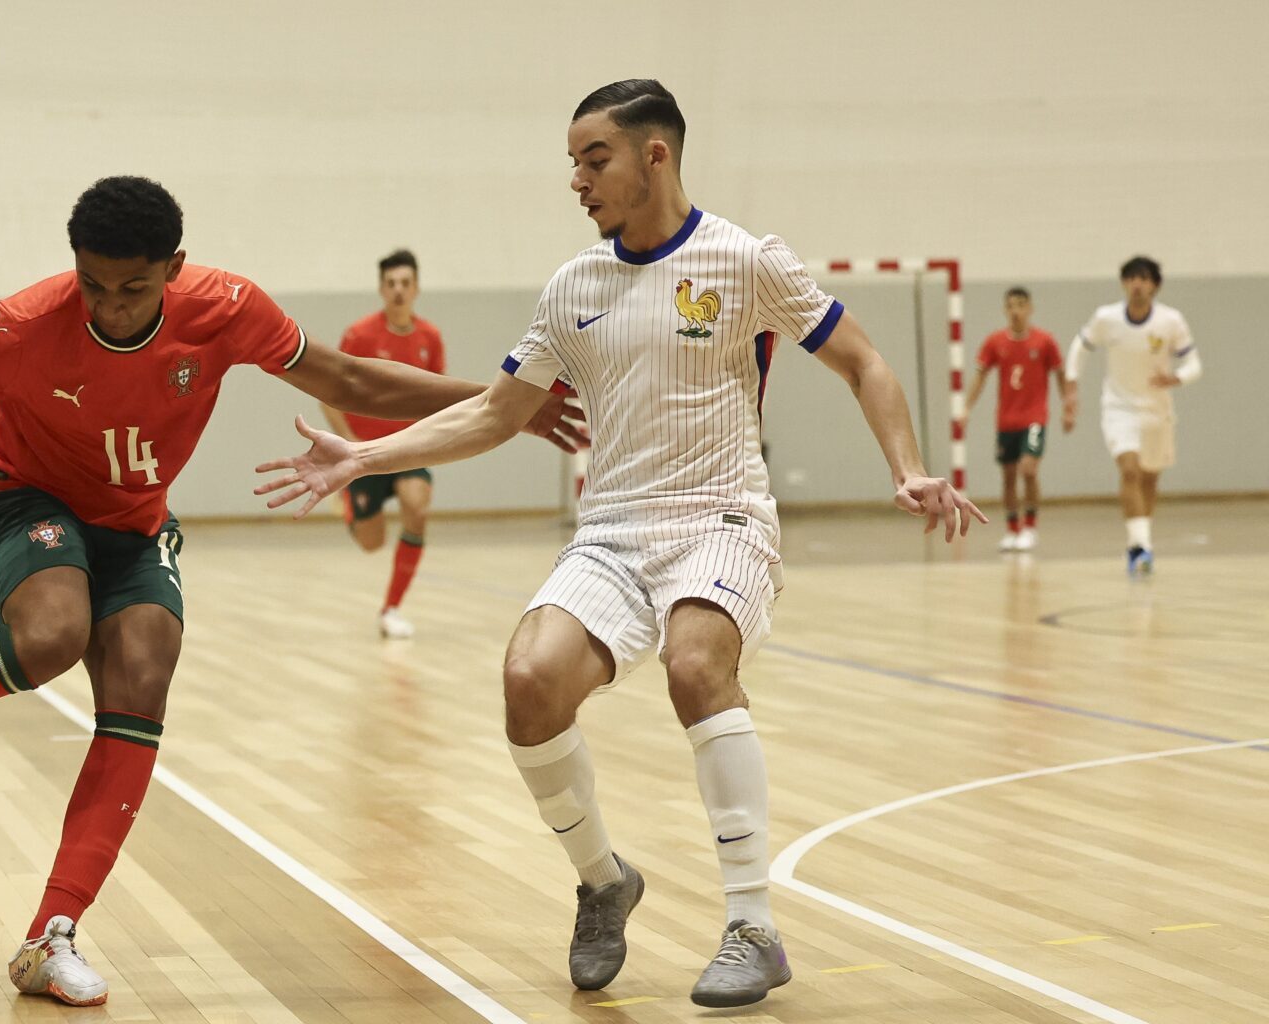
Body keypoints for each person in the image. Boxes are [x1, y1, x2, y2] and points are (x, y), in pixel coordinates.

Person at [0, 177, 585, 1008]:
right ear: (73, 267)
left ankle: (51, 938)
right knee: (51, 633)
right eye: (92, 285)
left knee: (144, 677)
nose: (110, 307)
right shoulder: (18, 325)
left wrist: (502, 404)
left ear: (174, 269)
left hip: (133, 523)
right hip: (20, 501)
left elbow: (352, 381)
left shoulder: (225, 307)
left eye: (134, 288)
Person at [256, 80, 982, 1009]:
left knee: (694, 664)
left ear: (655, 155)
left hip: (722, 518)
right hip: (612, 533)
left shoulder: (745, 260)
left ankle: (753, 926)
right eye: (571, 162)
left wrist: (907, 465)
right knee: (529, 683)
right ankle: (604, 879)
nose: (577, 180)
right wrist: (362, 455)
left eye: (592, 159)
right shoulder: (574, 286)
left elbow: (863, 360)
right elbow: (494, 412)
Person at [319, 249, 447, 638]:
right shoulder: (360, 335)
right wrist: (349, 443)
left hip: (408, 449)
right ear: (380, 288)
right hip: (364, 455)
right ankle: (349, 507)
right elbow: (329, 394)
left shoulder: (430, 338)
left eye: (405, 283)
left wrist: (432, 439)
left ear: (417, 288)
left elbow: (437, 396)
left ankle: (391, 608)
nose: (398, 290)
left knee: (416, 509)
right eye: (391, 283)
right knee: (371, 543)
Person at [1065, 256, 1200, 577]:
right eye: (1131, 278)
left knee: (1150, 477)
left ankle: (1140, 542)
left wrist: (1177, 378)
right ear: (1124, 283)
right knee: (1130, 471)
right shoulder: (1106, 318)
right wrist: (1071, 387)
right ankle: (1140, 548)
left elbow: (1194, 364)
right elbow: (1080, 348)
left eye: (1144, 278)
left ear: (1154, 285)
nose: (1137, 284)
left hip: (1157, 411)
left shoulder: (1171, 321)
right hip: (1118, 408)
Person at [963, 287, 1070, 551]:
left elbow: (1060, 374)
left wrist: (1068, 407)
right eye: (1011, 306)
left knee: (1029, 469)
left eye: (1021, 305)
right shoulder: (995, 342)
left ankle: (1030, 527)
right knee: (1009, 476)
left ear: (1030, 308)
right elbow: (981, 376)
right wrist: (965, 408)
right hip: (1006, 419)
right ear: (1004, 310)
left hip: (1034, 417)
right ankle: (1012, 529)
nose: (1016, 311)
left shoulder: (1044, 341)